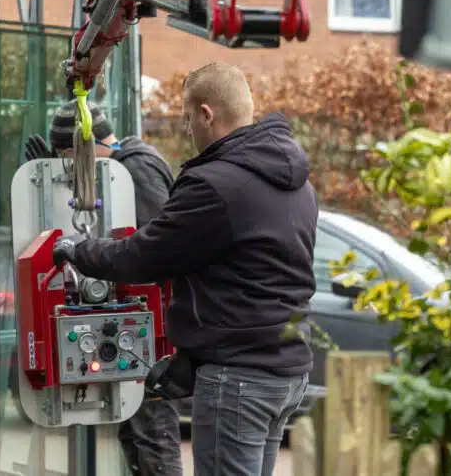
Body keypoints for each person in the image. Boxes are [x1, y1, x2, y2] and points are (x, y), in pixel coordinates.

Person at [53, 62, 318, 476]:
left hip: (239, 377)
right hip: (287, 369)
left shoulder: (215, 184)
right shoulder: (298, 182)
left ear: (207, 114)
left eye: (187, 116)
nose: (187, 128)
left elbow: (145, 257)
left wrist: (78, 250)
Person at [25, 99, 182, 476]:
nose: (73, 167)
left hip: (150, 331)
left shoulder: (135, 174)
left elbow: (149, 252)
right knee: (135, 431)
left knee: (154, 434)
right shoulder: (129, 166)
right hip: (141, 326)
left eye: (69, 156)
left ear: (83, 145)